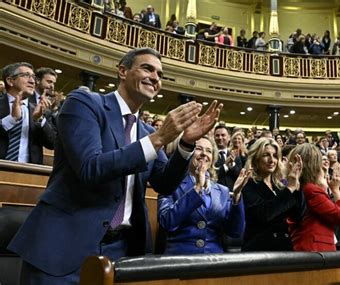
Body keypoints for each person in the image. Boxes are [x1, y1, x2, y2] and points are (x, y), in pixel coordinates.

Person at [8, 48, 222, 283]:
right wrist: (159, 138)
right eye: (147, 68)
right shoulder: (85, 103)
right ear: (122, 70)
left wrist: (186, 144)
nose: (155, 78)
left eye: (160, 74)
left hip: (121, 252)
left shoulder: (146, 132)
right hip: (64, 247)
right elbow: (91, 168)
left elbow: (165, 184)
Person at [158, 137, 246, 254]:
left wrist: (236, 196)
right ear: (188, 154)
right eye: (198, 149)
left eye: (209, 151)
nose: (204, 154)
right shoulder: (170, 184)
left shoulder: (223, 191)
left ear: (213, 159)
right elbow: (166, 222)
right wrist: (197, 188)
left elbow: (235, 231)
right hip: (179, 259)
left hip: (213, 260)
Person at [241, 138, 302, 251]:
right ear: (256, 159)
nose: (272, 160)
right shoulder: (247, 184)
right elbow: (264, 215)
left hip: (283, 250)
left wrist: (297, 185)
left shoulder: (279, 186)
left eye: (275, 156)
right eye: (266, 155)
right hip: (259, 252)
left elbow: (297, 215)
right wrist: (290, 188)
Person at [288, 143, 340, 252]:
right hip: (316, 251)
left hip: (307, 248)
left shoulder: (299, 188)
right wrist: (336, 191)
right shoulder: (311, 190)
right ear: (315, 165)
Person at [0, 62, 56, 164]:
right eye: (26, 75)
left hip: (28, 174)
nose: (32, 81)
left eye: (33, 77)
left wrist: (39, 120)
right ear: (10, 80)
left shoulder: (40, 110)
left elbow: (52, 143)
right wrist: (11, 119)